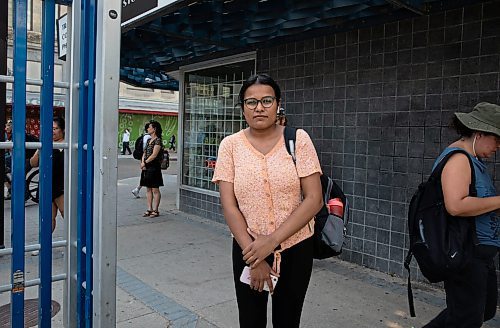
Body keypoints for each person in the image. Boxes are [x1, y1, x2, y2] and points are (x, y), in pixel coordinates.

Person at [212, 74, 323, 328]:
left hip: (296, 248)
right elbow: (229, 205)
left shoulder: (298, 139)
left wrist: (271, 242)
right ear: (242, 108)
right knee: (251, 321)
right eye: (251, 102)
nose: (259, 107)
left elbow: (314, 199)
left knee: (288, 320)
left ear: (278, 104)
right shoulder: (230, 146)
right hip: (246, 248)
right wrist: (256, 256)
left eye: (266, 100)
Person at [423, 102, 500, 328]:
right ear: (479, 133)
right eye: (496, 139)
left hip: (479, 252)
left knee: (478, 310)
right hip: (465, 253)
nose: (498, 146)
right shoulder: (459, 159)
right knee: (466, 318)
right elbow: (455, 205)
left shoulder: (473, 160)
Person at [29, 116, 65, 233]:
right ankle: (44, 246)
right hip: (46, 185)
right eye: (50, 128)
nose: (52, 131)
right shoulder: (45, 144)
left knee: (68, 216)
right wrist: (39, 151)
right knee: (48, 219)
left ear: (62, 130)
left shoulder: (67, 145)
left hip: (62, 186)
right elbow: (33, 163)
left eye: (55, 128)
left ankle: (73, 245)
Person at [139, 120, 163, 217]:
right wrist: (142, 162)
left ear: (154, 129)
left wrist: (145, 162)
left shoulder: (158, 140)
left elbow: (154, 155)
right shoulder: (149, 140)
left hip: (154, 167)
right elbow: (144, 152)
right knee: (148, 188)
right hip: (146, 167)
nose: (147, 129)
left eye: (149, 127)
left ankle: (156, 210)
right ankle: (149, 208)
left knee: (155, 189)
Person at [132, 123, 152, 198]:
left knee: (145, 173)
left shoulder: (143, 137)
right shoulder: (149, 138)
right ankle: (138, 189)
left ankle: (138, 189)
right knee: (146, 174)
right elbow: (146, 150)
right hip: (147, 158)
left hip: (143, 158)